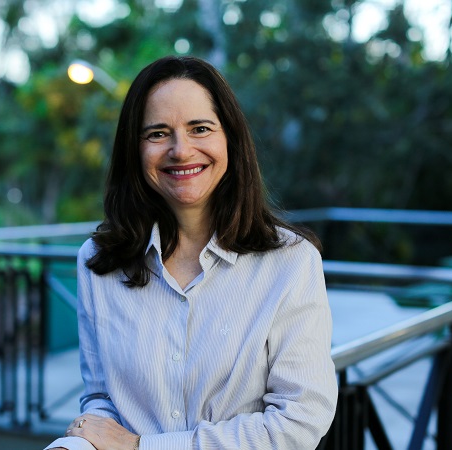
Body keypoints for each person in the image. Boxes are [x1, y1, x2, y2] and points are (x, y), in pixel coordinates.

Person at [45, 55, 337, 450]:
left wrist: (140, 448)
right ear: (135, 149)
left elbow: (298, 421)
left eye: (200, 128)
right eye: (158, 133)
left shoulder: (292, 262)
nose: (181, 150)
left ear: (229, 138)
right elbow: (104, 402)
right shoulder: (98, 262)